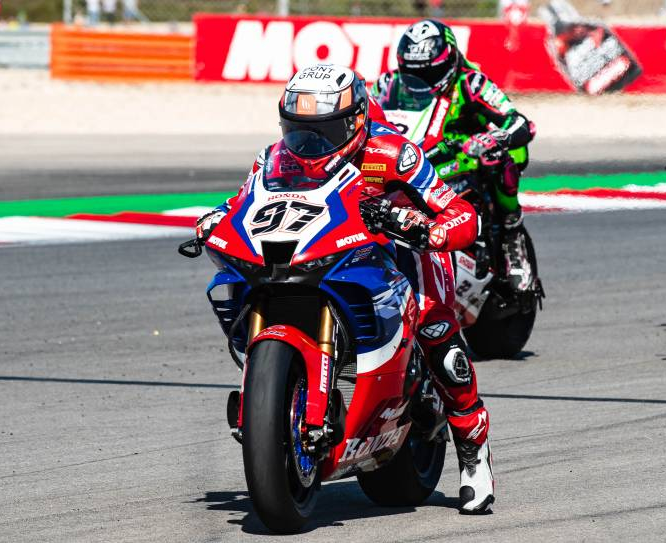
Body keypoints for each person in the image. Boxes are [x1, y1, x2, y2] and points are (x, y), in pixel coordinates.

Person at [196, 64, 495, 514]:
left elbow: (459, 213)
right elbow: (243, 199)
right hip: (324, 251)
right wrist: (217, 217)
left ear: (356, 121)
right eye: (299, 131)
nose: (309, 144)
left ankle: (473, 452)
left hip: (399, 250)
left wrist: (427, 229)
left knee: (437, 332)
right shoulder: (274, 157)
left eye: (324, 131)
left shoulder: (393, 153)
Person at [372, 19, 538, 296]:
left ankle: (512, 234)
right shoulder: (387, 84)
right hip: (413, 158)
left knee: (496, 159)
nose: (421, 80)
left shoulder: (471, 82)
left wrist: (493, 138)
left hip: (462, 158)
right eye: (413, 72)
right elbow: (367, 120)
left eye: (430, 72)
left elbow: (521, 123)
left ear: (449, 61)